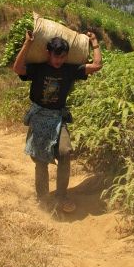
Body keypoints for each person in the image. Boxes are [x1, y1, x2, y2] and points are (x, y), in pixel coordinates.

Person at [13, 30, 102, 212]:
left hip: (57, 118)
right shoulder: (38, 68)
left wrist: (94, 42)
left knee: (65, 152)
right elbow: (17, 68)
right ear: (48, 53)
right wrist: (27, 44)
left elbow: (96, 65)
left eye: (62, 57)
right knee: (40, 160)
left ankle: (62, 195)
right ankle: (43, 198)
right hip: (39, 118)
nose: (59, 61)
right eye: (56, 57)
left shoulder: (69, 70)